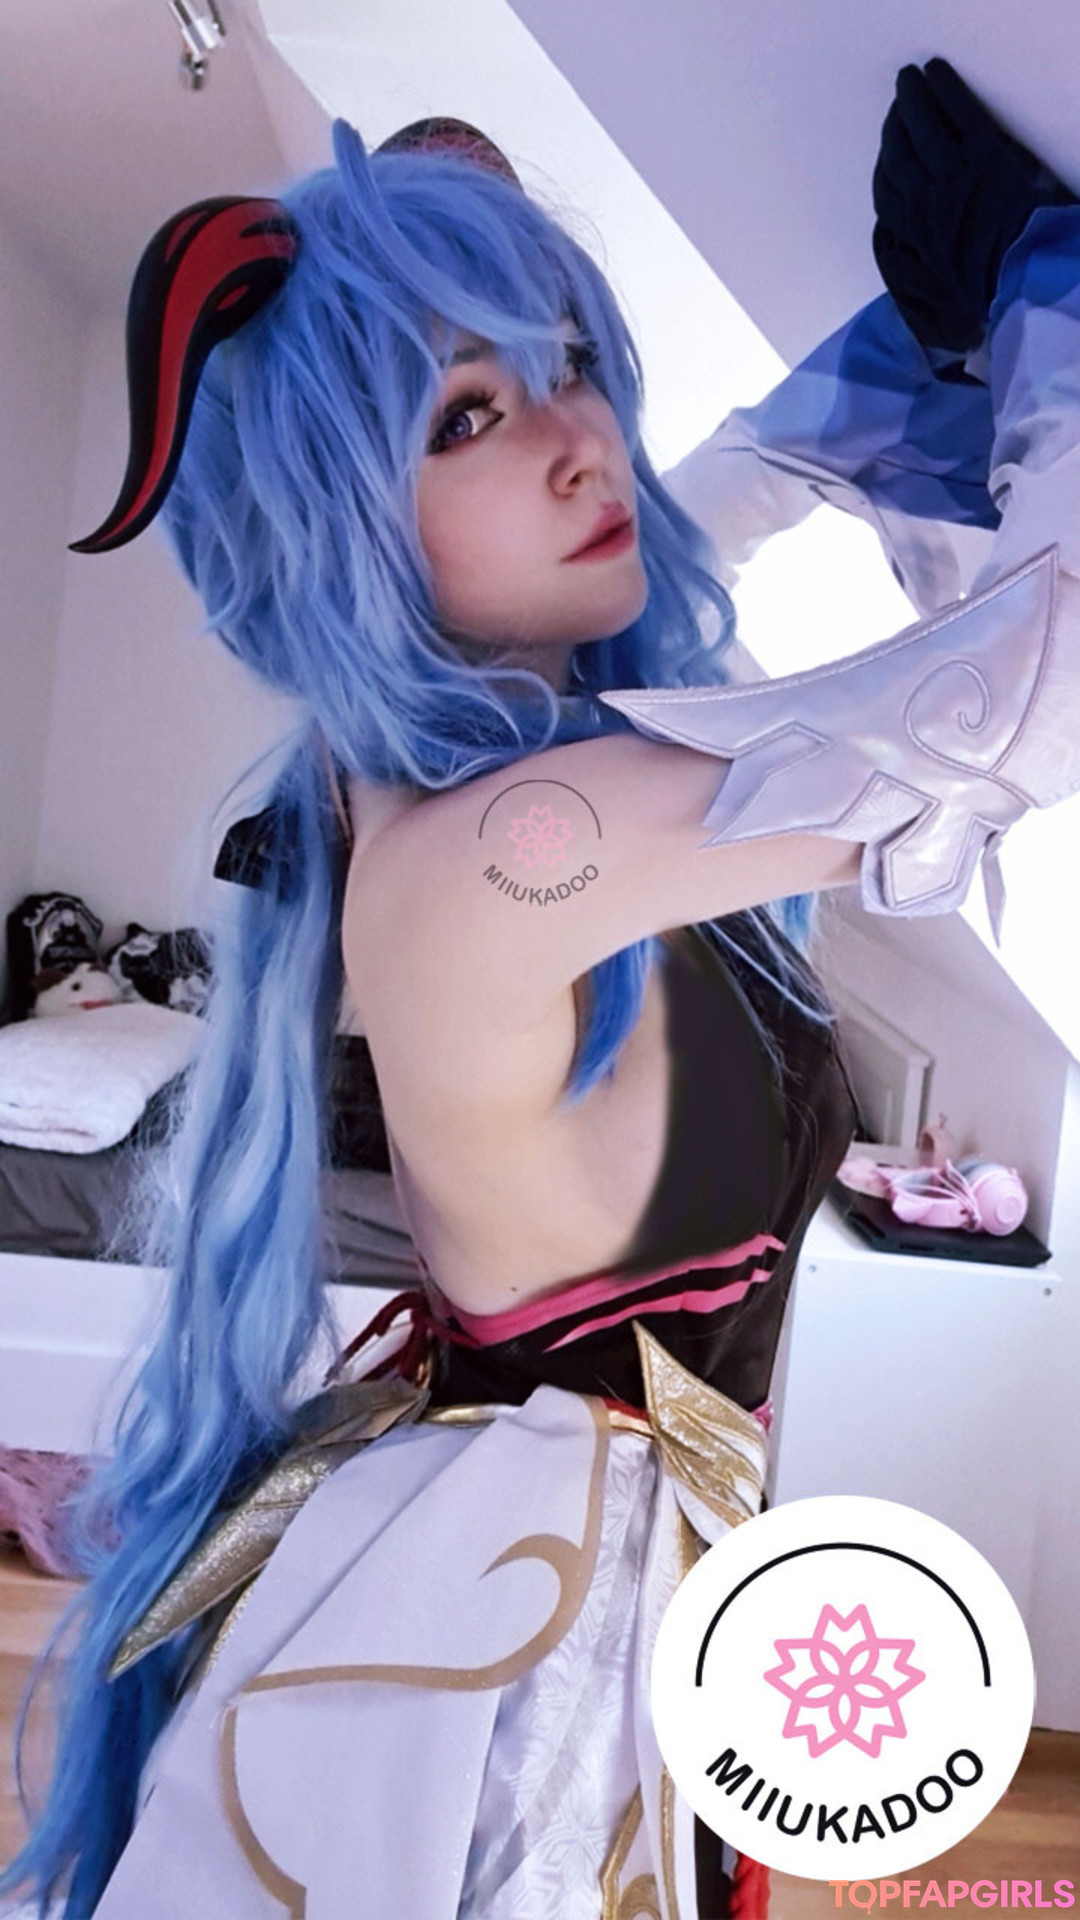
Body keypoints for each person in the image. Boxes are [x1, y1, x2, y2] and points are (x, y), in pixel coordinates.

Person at [2, 64, 1078, 1918]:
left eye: (571, 364)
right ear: (338, 520)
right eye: (466, 413)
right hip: (544, 1647)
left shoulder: (481, 763)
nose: (580, 441)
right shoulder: (505, 854)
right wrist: (1040, 294)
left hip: (594, 1577)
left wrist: (926, 335)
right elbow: (1025, 699)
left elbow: (709, 494)